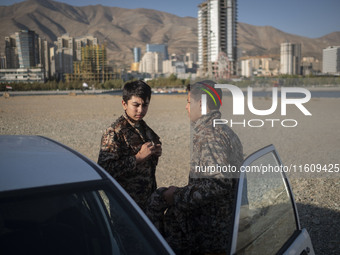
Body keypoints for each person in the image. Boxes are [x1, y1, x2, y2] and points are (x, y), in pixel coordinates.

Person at [146, 80, 243, 254]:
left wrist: (177, 196)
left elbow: (219, 184)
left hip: (211, 230)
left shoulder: (209, 136)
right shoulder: (225, 131)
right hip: (226, 222)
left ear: (201, 104)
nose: (186, 107)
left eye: (189, 102)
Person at [98, 80, 162, 211]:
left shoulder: (146, 129)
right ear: (124, 104)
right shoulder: (114, 132)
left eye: (145, 105)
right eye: (136, 105)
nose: (141, 110)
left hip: (148, 202)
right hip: (126, 206)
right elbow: (105, 169)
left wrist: (155, 153)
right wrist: (138, 158)